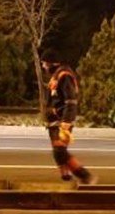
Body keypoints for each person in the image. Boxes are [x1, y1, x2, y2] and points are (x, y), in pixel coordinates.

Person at [41, 50, 97, 185]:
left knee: (59, 152)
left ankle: (86, 176)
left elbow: (70, 101)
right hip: (54, 121)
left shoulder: (64, 76)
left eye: (44, 64)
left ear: (50, 63)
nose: (43, 67)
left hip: (61, 122)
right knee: (58, 153)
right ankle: (66, 178)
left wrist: (66, 123)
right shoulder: (56, 76)